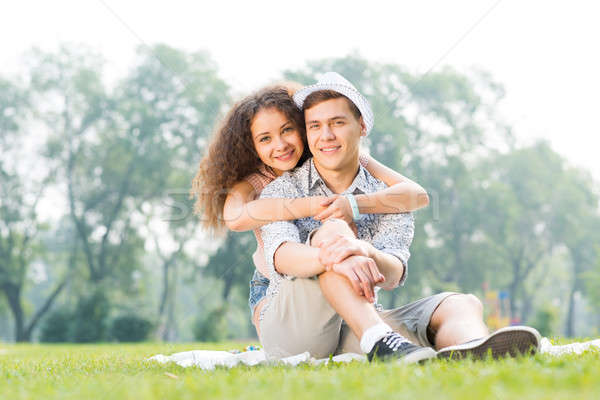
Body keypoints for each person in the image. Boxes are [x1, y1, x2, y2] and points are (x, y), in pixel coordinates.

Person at [257, 72, 541, 363]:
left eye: (337, 123)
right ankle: (379, 339)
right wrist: (334, 253)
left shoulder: (389, 197)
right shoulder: (282, 190)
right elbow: (281, 255)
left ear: (362, 126)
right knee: (333, 231)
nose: (326, 135)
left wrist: (364, 250)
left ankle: (474, 349)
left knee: (460, 303)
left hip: (357, 324)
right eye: (315, 126)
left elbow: (392, 274)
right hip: (293, 332)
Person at [190, 83, 430, 336]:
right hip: (273, 284)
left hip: (334, 268)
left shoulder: (328, 156)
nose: (280, 144)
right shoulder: (258, 179)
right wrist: (311, 206)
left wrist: (354, 204)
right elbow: (235, 217)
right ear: (252, 147)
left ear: (302, 128)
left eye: (287, 130)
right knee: (288, 346)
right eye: (265, 139)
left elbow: (417, 194)